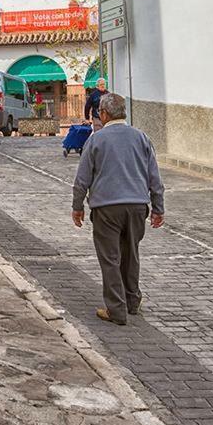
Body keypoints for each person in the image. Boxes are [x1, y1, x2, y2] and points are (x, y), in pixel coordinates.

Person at [71, 92, 165, 326]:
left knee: (110, 258)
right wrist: (158, 207)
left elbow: (82, 179)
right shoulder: (141, 137)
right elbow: (154, 177)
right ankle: (132, 301)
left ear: (103, 114)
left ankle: (116, 309)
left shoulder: (96, 139)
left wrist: (77, 206)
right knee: (130, 254)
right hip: (136, 206)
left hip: (106, 208)